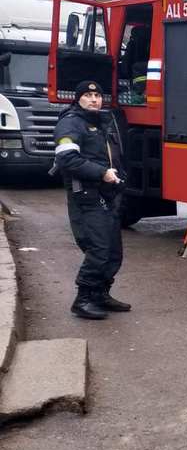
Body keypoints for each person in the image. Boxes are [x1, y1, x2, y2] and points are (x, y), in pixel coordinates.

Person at [53, 80, 131, 320]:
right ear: (78, 99)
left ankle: (100, 294)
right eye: (87, 95)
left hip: (106, 193)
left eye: (97, 95)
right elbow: (66, 159)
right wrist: (101, 173)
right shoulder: (71, 122)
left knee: (113, 251)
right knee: (99, 248)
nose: (94, 99)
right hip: (85, 194)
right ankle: (83, 299)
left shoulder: (101, 120)